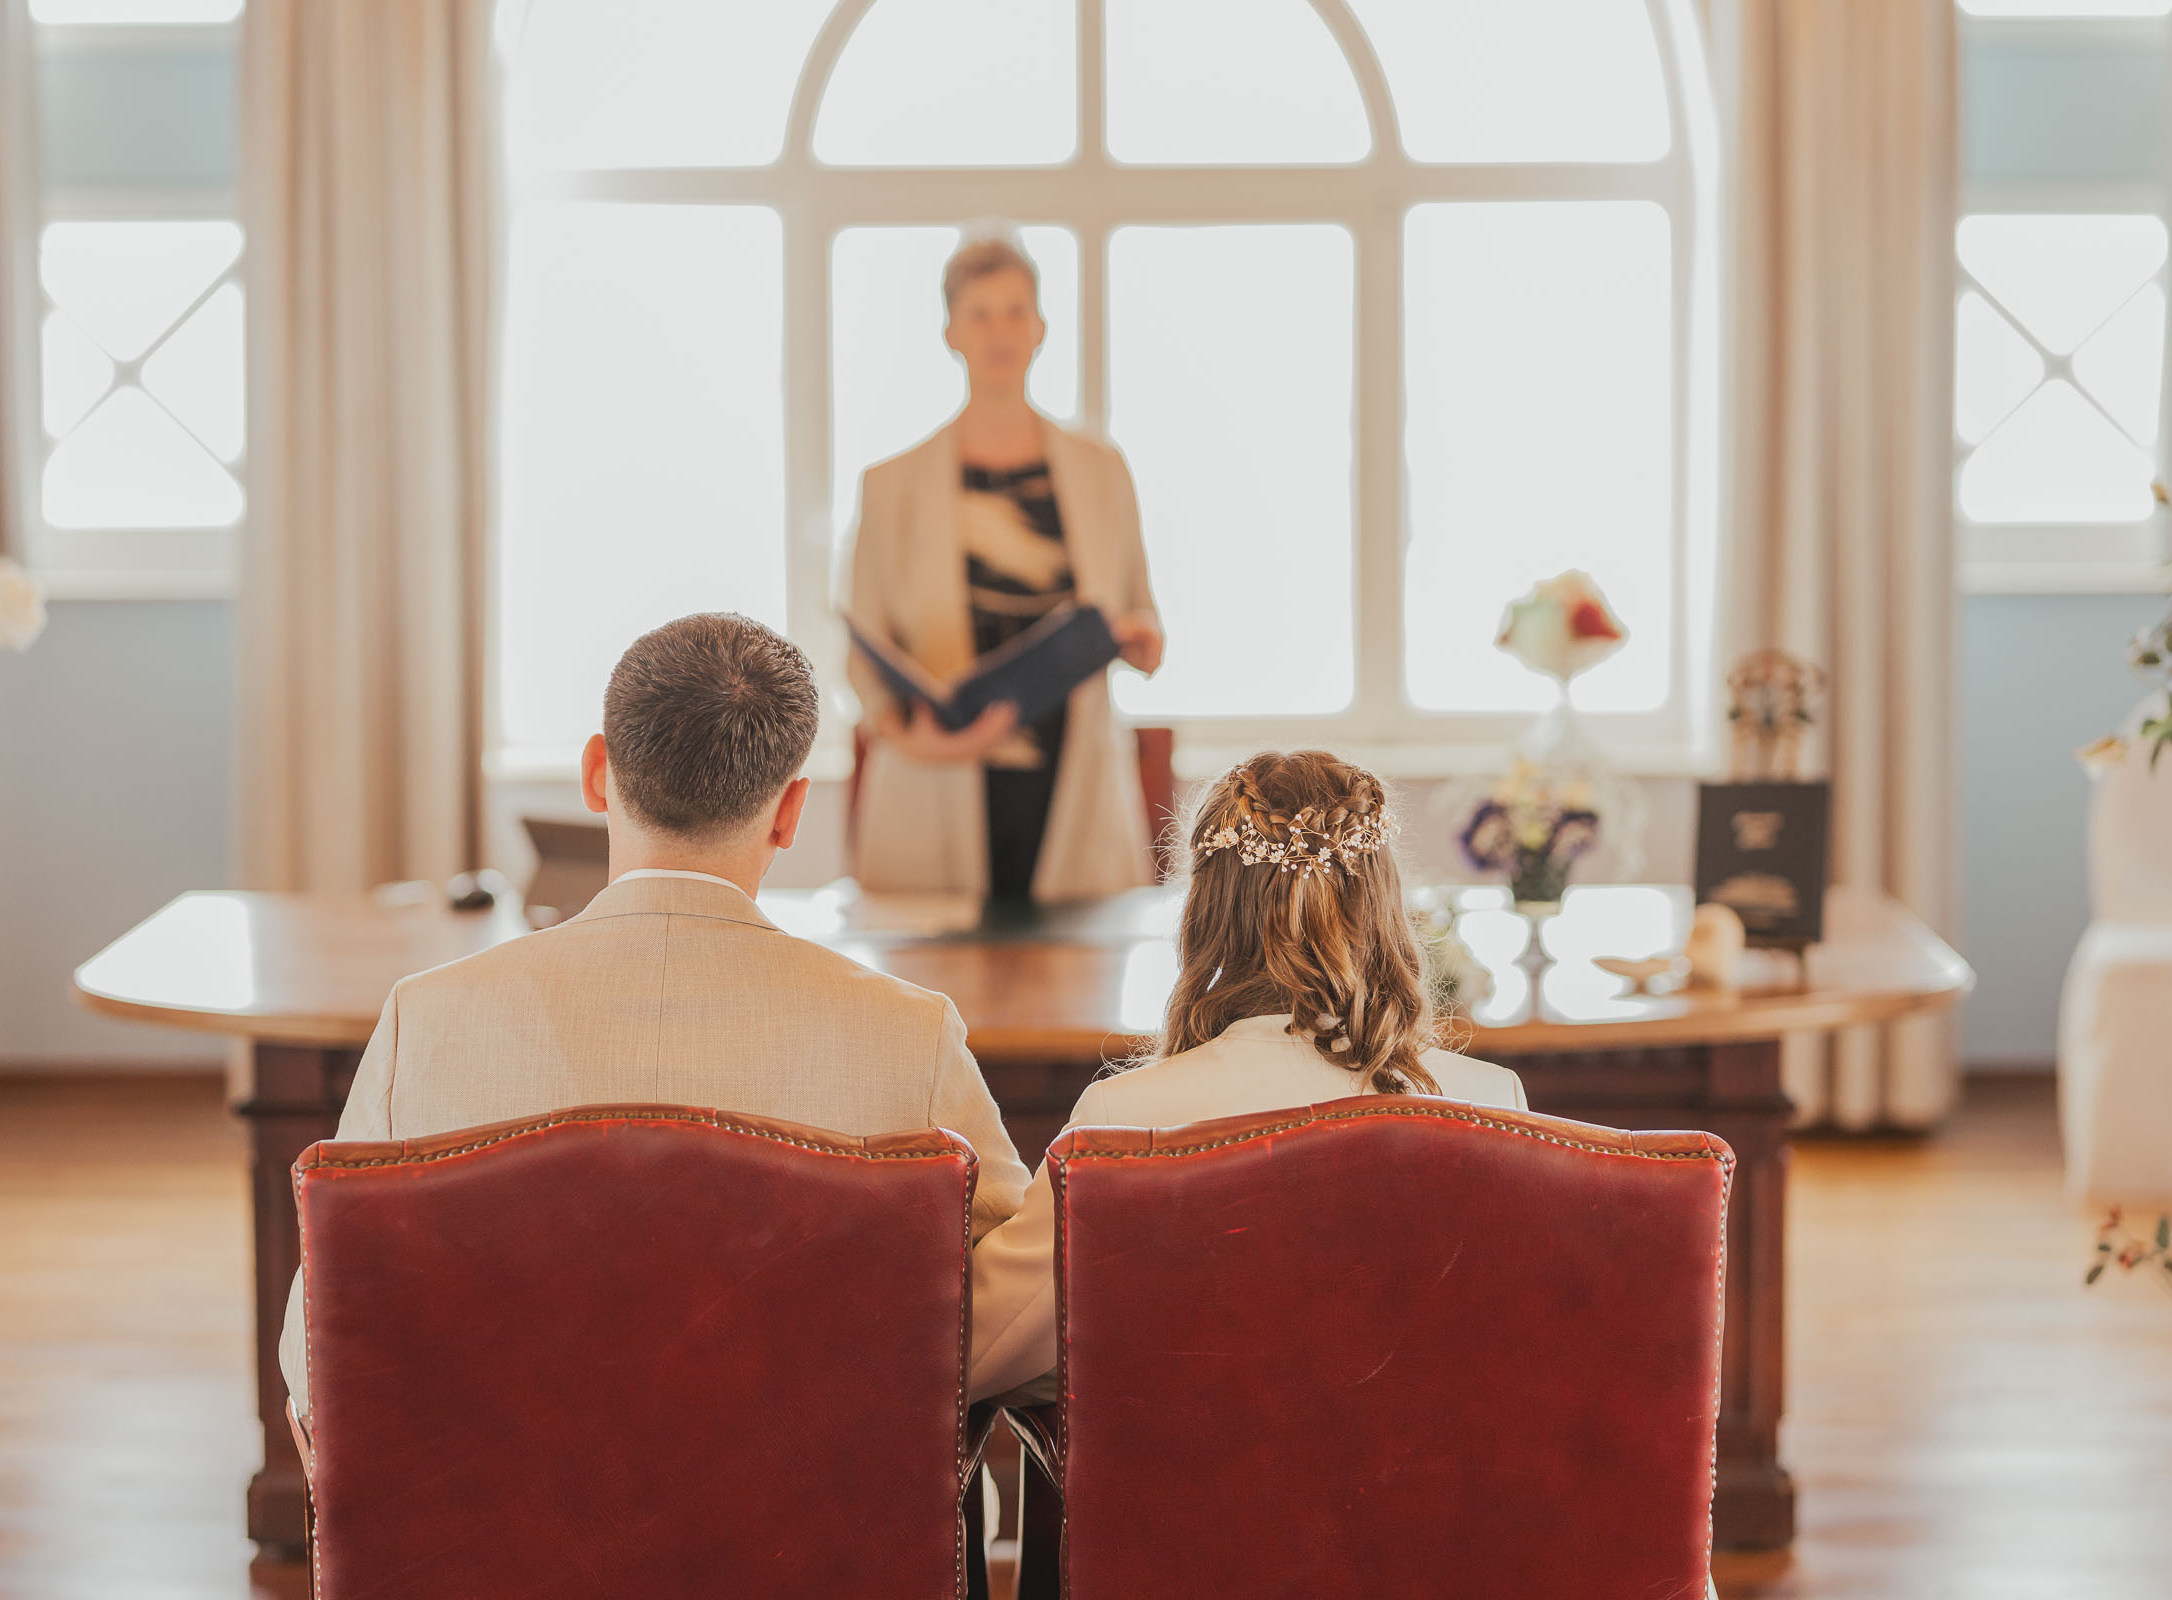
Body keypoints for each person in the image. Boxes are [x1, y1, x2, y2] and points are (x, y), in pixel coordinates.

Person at [278, 613, 1032, 1415]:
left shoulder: (423, 1022)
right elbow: (1025, 1299)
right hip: (815, 1515)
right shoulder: (910, 1035)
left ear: (598, 773)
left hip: (518, 1516)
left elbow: (323, 1340)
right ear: (790, 811)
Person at [965, 750, 1528, 1401]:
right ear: (1384, 904)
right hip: (1426, 1494)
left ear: (1206, 911)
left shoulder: (1126, 1119)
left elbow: (974, 1353)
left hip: (1192, 1496)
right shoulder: (1490, 1102)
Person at [844, 231, 1165, 902]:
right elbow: (864, 656)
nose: (1000, 331)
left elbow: (1141, 617)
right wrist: (925, 741)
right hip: (934, 783)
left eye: (1015, 310)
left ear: (1041, 326)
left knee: (1073, 992)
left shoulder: (1102, 471)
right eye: (980, 313)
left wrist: (1139, 639)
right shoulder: (890, 486)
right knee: (932, 994)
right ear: (951, 332)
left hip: (1070, 781)